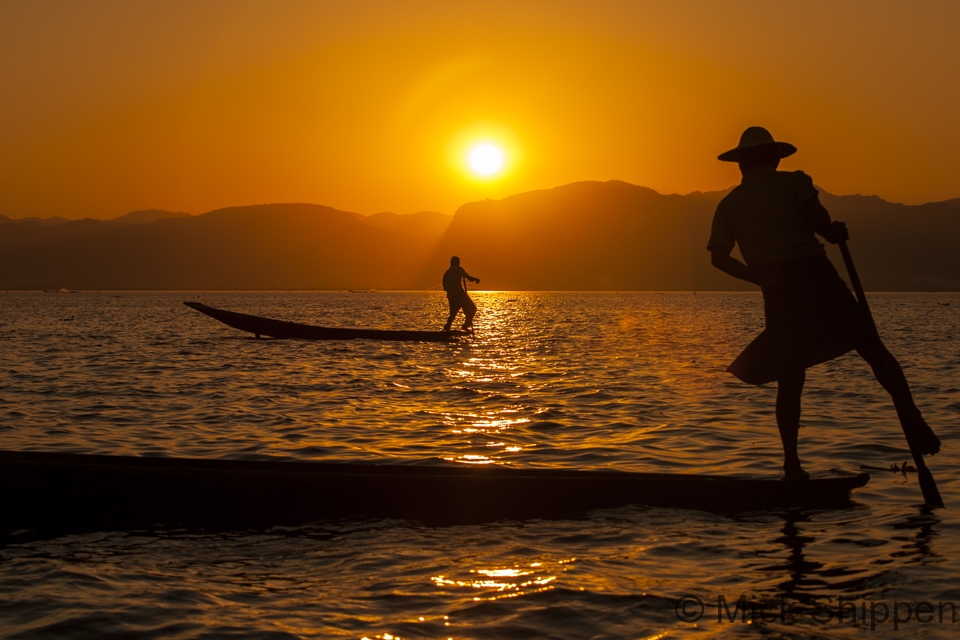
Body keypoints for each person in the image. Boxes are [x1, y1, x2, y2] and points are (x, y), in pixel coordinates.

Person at [708, 126, 940, 480]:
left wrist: (760, 278)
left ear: (742, 164)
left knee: (790, 377)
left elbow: (719, 258)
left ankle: (792, 465)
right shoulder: (794, 182)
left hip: (779, 290)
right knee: (871, 347)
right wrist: (833, 231)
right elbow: (819, 222)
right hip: (816, 276)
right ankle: (913, 419)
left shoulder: (730, 205)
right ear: (773, 158)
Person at [442, 256, 480, 332]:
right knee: (472, 309)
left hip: (451, 296)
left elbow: (444, 287)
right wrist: (476, 280)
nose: (459, 263)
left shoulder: (446, 273)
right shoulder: (459, 269)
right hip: (460, 295)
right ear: (456, 262)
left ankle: (447, 327)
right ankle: (466, 325)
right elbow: (468, 277)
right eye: (458, 262)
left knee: (453, 313)